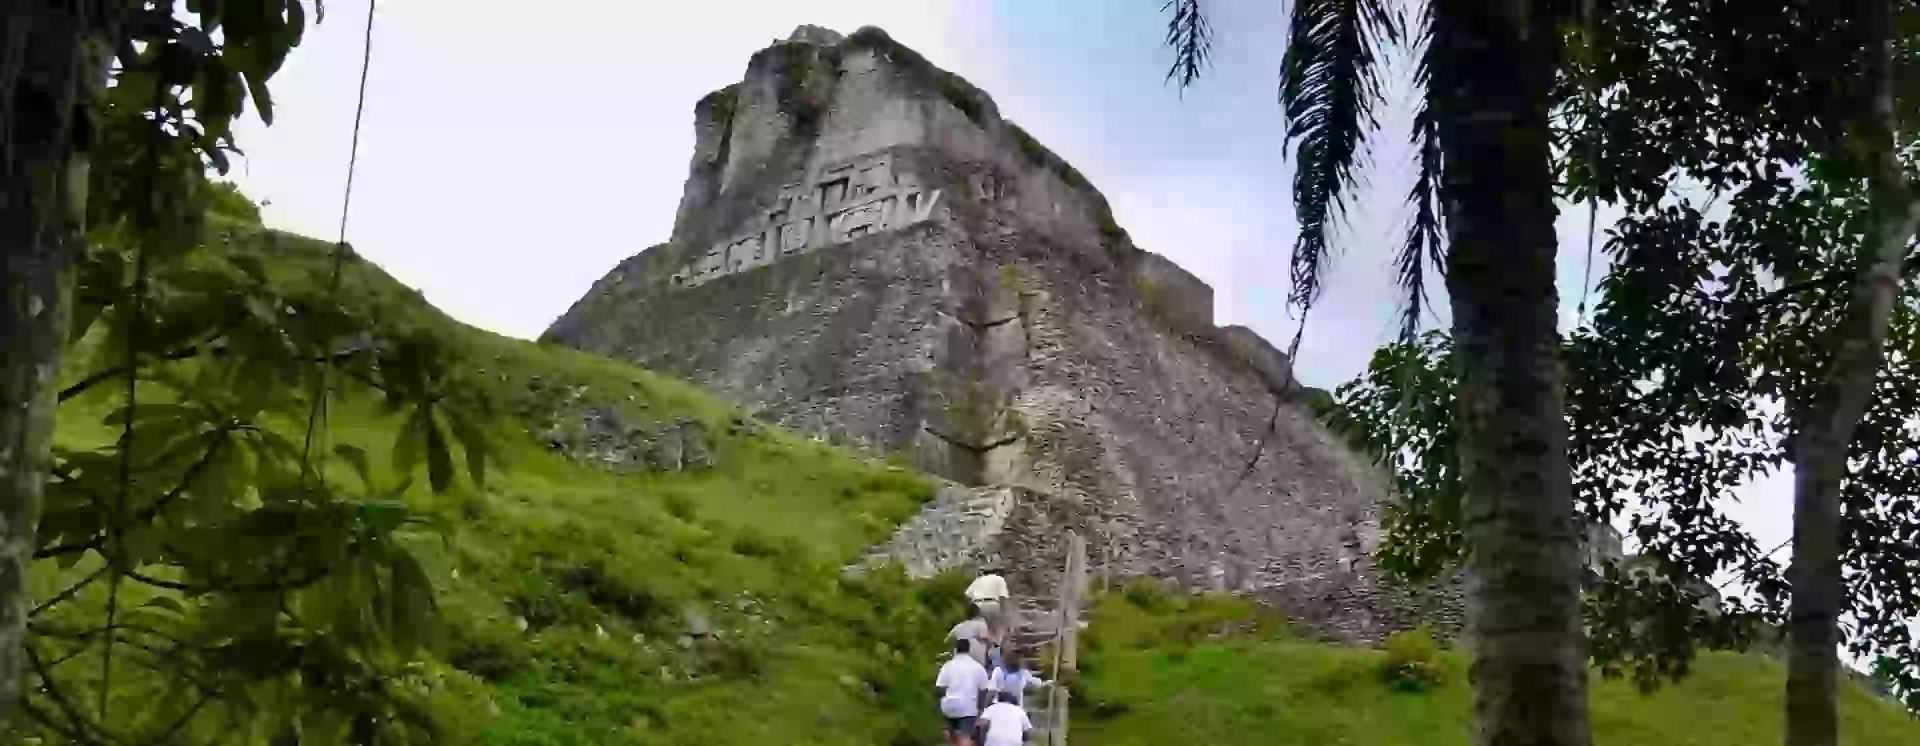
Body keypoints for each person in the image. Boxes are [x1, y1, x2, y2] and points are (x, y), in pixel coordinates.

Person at [935, 638, 992, 746]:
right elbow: (984, 689)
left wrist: (940, 705)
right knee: (965, 737)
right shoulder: (977, 666)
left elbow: (940, 687)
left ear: (955, 650)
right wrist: (981, 708)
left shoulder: (948, 666)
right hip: (967, 707)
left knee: (952, 737)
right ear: (968, 650)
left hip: (949, 706)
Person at [966, 568, 1012, 639]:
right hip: (991, 604)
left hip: (977, 605)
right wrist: (1006, 615)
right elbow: (1003, 598)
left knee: (979, 631)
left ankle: (980, 647)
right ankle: (995, 647)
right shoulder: (999, 579)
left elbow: (967, 596)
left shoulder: (977, 580)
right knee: (995, 630)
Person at [947, 602, 995, 666]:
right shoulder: (981, 625)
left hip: (959, 658)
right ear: (978, 613)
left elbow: (948, 640)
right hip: (977, 658)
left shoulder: (959, 626)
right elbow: (987, 641)